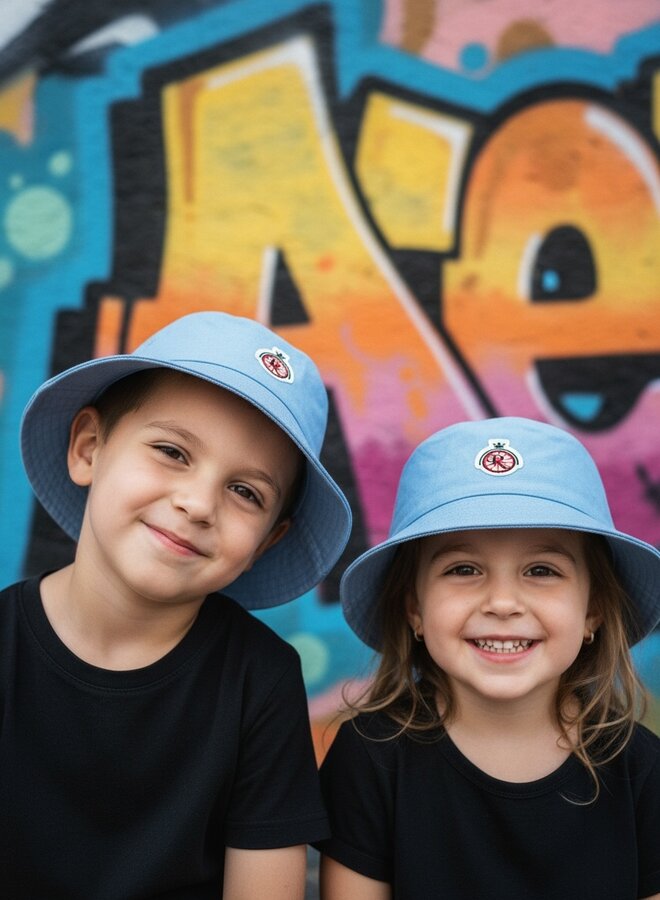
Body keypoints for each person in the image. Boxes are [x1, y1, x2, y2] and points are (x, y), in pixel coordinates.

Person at [0, 311, 352, 899]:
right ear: (89, 448)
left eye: (245, 491)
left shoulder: (259, 681)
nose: (197, 503)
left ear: (266, 542)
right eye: (171, 451)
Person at [316, 417, 660, 900]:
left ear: (594, 610)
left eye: (541, 570)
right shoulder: (371, 758)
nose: (502, 602)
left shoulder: (642, 771)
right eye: (463, 569)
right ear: (415, 609)